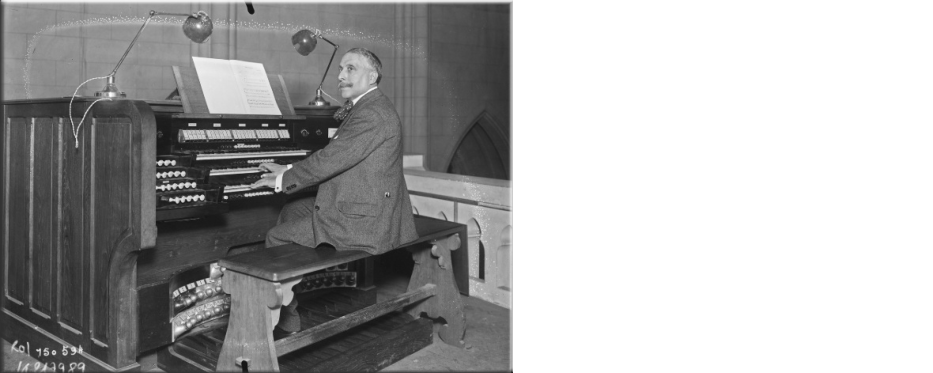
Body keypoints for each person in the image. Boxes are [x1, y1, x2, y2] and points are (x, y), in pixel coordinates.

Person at [249, 47, 419, 337]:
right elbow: (337, 155)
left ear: (372, 75)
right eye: (340, 69)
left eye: (350, 69)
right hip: (365, 202)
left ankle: (281, 314)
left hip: (367, 220)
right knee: (293, 208)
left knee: (276, 236)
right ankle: (295, 288)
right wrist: (288, 169)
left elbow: (331, 159)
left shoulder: (373, 114)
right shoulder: (367, 105)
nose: (340, 76)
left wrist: (283, 179)